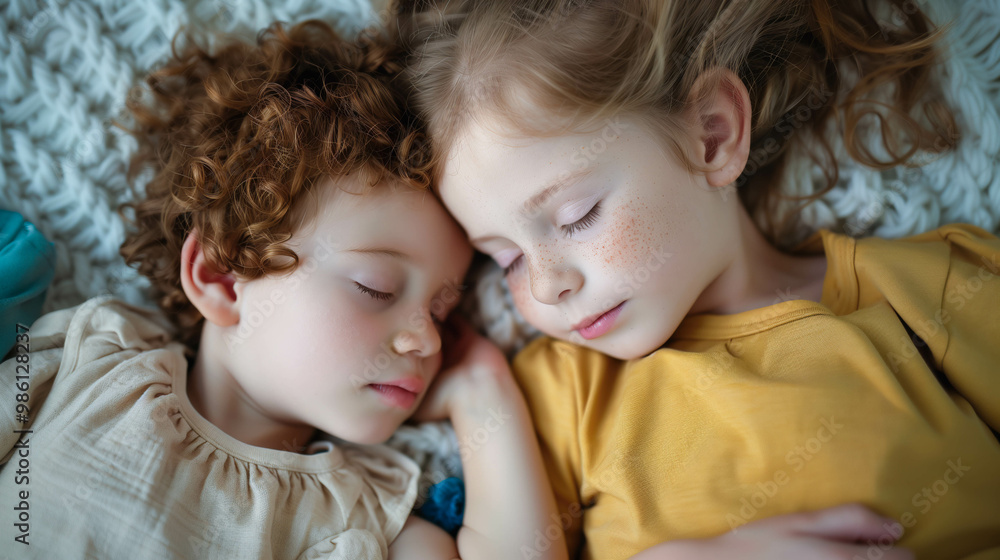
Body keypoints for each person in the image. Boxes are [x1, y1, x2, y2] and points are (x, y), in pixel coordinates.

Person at [400, 0, 1000, 558]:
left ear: (711, 135)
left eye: (575, 217)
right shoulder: (558, 395)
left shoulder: (928, 291)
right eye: (506, 260)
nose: (544, 285)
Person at [0, 19, 566, 560]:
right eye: (376, 288)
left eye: (442, 314)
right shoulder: (92, 362)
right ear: (222, 278)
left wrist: (485, 394)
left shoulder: (357, 516)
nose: (426, 341)